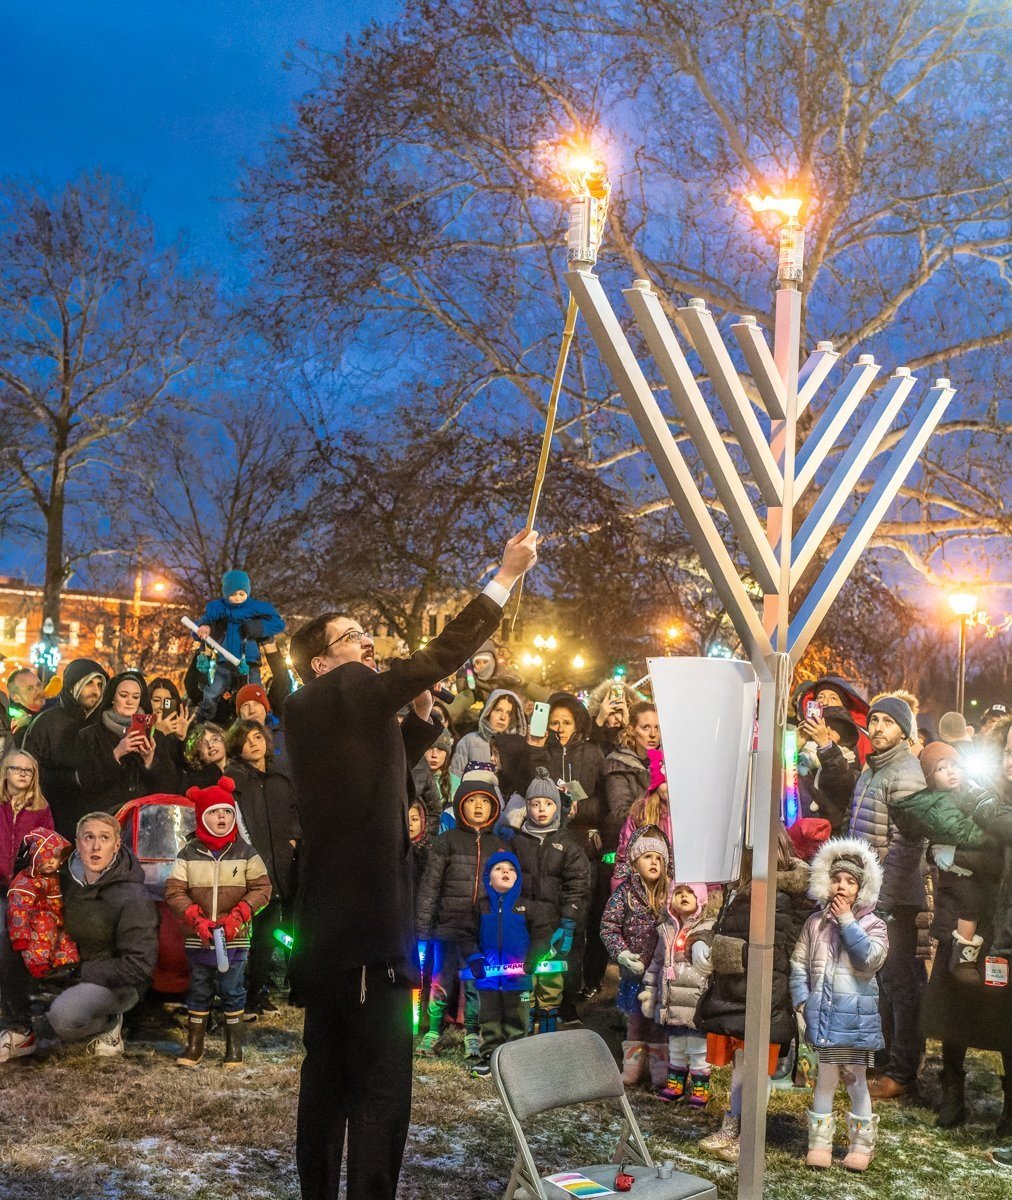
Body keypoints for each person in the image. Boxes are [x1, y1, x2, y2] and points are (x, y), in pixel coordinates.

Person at [283, 528, 537, 1200]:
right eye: (351, 637)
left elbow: (371, 777)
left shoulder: (325, 712)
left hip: (337, 934)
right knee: (379, 1087)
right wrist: (503, 577)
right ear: (319, 663)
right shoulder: (339, 694)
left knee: (328, 1077)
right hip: (366, 941)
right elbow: (437, 656)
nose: (367, 644)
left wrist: (421, 722)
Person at [696, 828, 810, 1163]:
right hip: (740, 993)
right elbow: (717, 925)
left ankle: (751, 1133)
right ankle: (733, 1122)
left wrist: (721, 951)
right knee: (742, 1065)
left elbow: (770, 952)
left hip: (765, 995)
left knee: (756, 1067)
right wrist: (702, 940)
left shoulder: (779, 896)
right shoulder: (738, 891)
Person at [845, 695, 928, 1101]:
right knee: (877, 979)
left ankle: (903, 1070)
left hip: (895, 896)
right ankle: (882, 1058)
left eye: (887, 722)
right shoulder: (872, 769)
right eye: (874, 720)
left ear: (903, 731)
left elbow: (906, 846)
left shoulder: (906, 772)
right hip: (868, 892)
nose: (877, 728)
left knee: (899, 983)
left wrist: (886, 898)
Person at [790, 838, 888, 1172]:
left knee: (855, 1079)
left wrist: (847, 921)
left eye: (850, 881)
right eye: (836, 879)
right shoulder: (814, 924)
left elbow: (868, 959)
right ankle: (820, 1144)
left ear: (862, 888)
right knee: (825, 1079)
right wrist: (802, 1001)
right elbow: (799, 964)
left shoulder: (874, 925)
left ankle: (861, 1145)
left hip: (856, 1022)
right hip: (824, 1019)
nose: (841, 886)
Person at [165, 776, 272, 1069]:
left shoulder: (246, 853)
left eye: (226, 811)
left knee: (232, 988)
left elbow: (263, 889)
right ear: (202, 816)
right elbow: (174, 891)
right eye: (214, 812)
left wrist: (239, 915)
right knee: (199, 988)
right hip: (199, 937)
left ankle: (233, 1048)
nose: (221, 817)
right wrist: (194, 918)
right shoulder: (188, 854)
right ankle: (195, 1045)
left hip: (234, 937)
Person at [46, 812, 159, 1055]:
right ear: (77, 843)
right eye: (89, 838)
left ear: (116, 845)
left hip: (118, 984)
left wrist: (80, 971)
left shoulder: (133, 894)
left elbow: (140, 966)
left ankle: (111, 1023)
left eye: (105, 838)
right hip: (74, 973)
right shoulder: (65, 883)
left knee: (63, 1018)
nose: (96, 846)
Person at [890, 741, 997, 983]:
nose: (950, 772)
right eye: (940, 768)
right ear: (930, 778)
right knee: (970, 904)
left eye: (955, 765)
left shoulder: (967, 792)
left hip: (965, 875)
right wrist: (996, 836)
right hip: (959, 880)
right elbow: (964, 833)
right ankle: (963, 958)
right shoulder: (940, 803)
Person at [414, 769, 504, 1058]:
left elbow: (506, 889)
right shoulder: (446, 842)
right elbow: (430, 887)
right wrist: (423, 928)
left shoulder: (499, 845)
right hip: (447, 927)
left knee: (476, 982)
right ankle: (433, 1030)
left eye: (485, 801)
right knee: (441, 980)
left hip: (481, 930)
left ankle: (473, 1032)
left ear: (494, 806)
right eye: (472, 800)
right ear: (460, 803)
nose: (478, 806)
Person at [225, 718, 301, 1017]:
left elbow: (296, 811)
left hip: (283, 866)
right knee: (249, 938)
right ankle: (240, 995)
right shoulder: (234, 779)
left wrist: (293, 841)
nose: (253, 743)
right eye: (246, 740)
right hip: (250, 868)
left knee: (270, 935)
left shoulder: (281, 777)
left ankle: (257, 993)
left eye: (257, 737)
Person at [510, 769, 590, 1033]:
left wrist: (568, 921)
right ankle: (525, 1025)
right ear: (528, 807)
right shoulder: (517, 842)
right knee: (525, 976)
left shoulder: (567, 844)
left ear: (556, 807)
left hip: (554, 924)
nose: (541, 809)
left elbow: (577, 886)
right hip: (523, 923)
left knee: (550, 977)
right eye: (535, 804)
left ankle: (547, 1025)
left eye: (548, 804)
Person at [600, 824, 671, 1092]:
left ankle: (659, 1071)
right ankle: (631, 1070)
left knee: (658, 1021)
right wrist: (622, 953)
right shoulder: (625, 894)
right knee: (635, 1020)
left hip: (663, 974)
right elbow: (608, 926)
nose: (653, 862)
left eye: (658, 858)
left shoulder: (669, 894)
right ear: (634, 862)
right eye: (647, 857)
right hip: (634, 972)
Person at [639, 881, 715, 1107]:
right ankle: (676, 1084)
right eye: (678, 892)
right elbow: (656, 963)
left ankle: (701, 1087)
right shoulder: (666, 931)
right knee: (676, 1046)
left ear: (700, 898)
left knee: (698, 1048)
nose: (683, 896)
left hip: (695, 1002)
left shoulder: (707, 928)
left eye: (689, 892)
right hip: (671, 1002)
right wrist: (650, 990)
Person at [0, 749, 55, 1061]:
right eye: (15, 769)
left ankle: (18, 1021)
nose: (21, 774)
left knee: (10, 943)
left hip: (24, 891)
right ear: (5, 772)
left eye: (28, 771)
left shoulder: (41, 809)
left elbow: (48, 849)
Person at [20, 658, 107, 836]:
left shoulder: (103, 724)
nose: (96, 691)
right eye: (89, 683)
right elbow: (28, 771)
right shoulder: (46, 723)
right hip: (53, 819)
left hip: (95, 825)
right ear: (74, 685)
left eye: (100, 685)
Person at [464, 850, 531, 1079]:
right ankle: (490, 1056)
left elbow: (542, 933)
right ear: (487, 877)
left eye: (511, 869)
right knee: (489, 1019)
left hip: (518, 979)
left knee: (518, 1020)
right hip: (488, 979)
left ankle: (517, 1061)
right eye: (499, 868)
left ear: (518, 877)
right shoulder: (480, 907)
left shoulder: (526, 907)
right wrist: (474, 958)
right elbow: (467, 935)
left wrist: (534, 956)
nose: (506, 872)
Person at [192, 569, 285, 721]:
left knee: (255, 692)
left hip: (249, 662)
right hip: (225, 663)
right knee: (212, 691)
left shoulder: (255, 608)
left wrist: (258, 628)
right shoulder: (220, 608)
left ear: (247, 592)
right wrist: (205, 626)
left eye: (242, 594)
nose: (237, 598)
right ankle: (204, 718)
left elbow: (278, 623)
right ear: (226, 594)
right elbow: (204, 621)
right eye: (233, 594)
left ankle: (262, 720)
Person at [75, 671, 174, 813]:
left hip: (145, 819)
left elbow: (168, 788)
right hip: (105, 819)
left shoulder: (155, 736)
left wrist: (149, 762)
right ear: (112, 698)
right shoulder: (89, 736)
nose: (130, 701)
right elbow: (87, 782)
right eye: (123, 695)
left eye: (135, 697)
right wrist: (116, 754)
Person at [6, 827, 79, 979]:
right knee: (42, 930)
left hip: (55, 919)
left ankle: (66, 964)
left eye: (57, 858)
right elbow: (17, 910)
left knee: (65, 938)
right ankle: (39, 966)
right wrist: (20, 937)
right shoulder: (24, 883)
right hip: (34, 923)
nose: (53, 863)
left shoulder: (53, 877)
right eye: (48, 857)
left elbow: (57, 899)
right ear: (35, 855)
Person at [795, 706, 862, 836]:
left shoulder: (848, 759)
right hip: (798, 830)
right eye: (825, 724)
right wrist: (796, 746)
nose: (828, 730)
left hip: (828, 835)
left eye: (836, 728)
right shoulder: (803, 756)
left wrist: (826, 746)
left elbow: (841, 779)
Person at [613, 746, 668, 891]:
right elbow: (624, 858)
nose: (670, 787)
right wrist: (622, 892)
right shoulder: (641, 814)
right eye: (665, 782)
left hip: (680, 893)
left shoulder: (689, 814)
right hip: (645, 890)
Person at [449, 689, 527, 780]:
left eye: (508, 713)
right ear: (488, 711)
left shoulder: (517, 747)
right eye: (498, 710)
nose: (503, 717)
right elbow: (455, 779)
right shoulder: (469, 741)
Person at [182, 722, 230, 790]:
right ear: (197, 754)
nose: (210, 745)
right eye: (203, 744)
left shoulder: (240, 772)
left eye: (215, 739)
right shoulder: (196, 783)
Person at [6, 668, 45, 735]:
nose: (38, 691)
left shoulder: (53, 705)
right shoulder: (17, 727)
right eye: (29, 689)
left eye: (38, 685)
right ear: (15, 697)